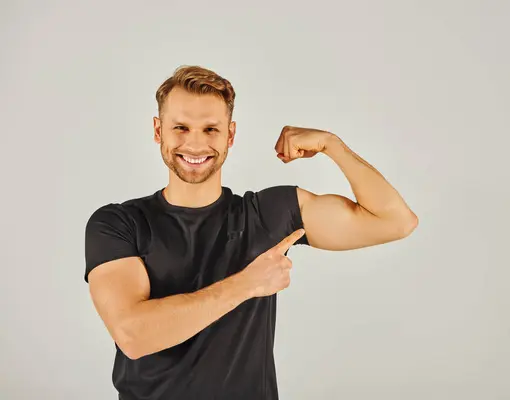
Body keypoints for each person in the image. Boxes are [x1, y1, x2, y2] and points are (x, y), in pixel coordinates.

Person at [84, 65, 418, 400]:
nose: (196, 143)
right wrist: (247, 283)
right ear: (159, 131)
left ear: (230, 135)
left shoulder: (265, 215)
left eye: (211, 129)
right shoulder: (118, 223)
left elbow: (395, 221)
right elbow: (133, 335)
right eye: (180, 128)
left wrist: (333, 145)